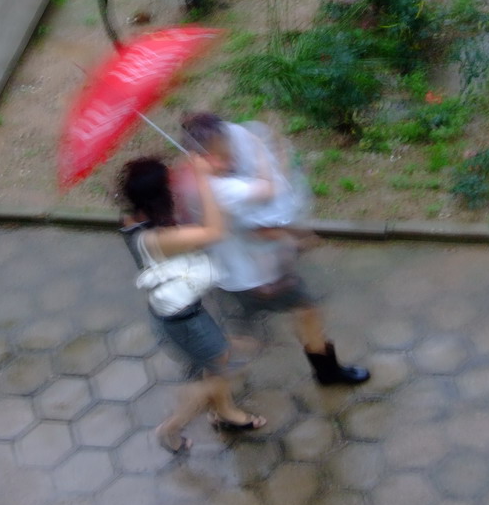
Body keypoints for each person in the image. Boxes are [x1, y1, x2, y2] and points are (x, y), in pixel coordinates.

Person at [177, 112, 370, 386]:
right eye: (221, 155)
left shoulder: (192, 180)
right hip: (257, 276)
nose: (229, 159)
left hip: (229, 275)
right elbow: (268, 199)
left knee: (247, 333)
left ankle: (206, 360)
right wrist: (260, 147)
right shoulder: (224, 189)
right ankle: (328, 373)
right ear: (203, 157)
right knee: (306, 311)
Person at [119, 153, 266, 455]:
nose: (174, 185)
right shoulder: (159, 238)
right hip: (184, 320)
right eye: (168, 183)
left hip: (174, 313)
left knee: (218, 361)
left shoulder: (135, 218)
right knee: (219, 368)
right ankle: (170, 429)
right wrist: (203, 180)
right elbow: (214, 232)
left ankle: (225, 412)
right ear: (160, 194)